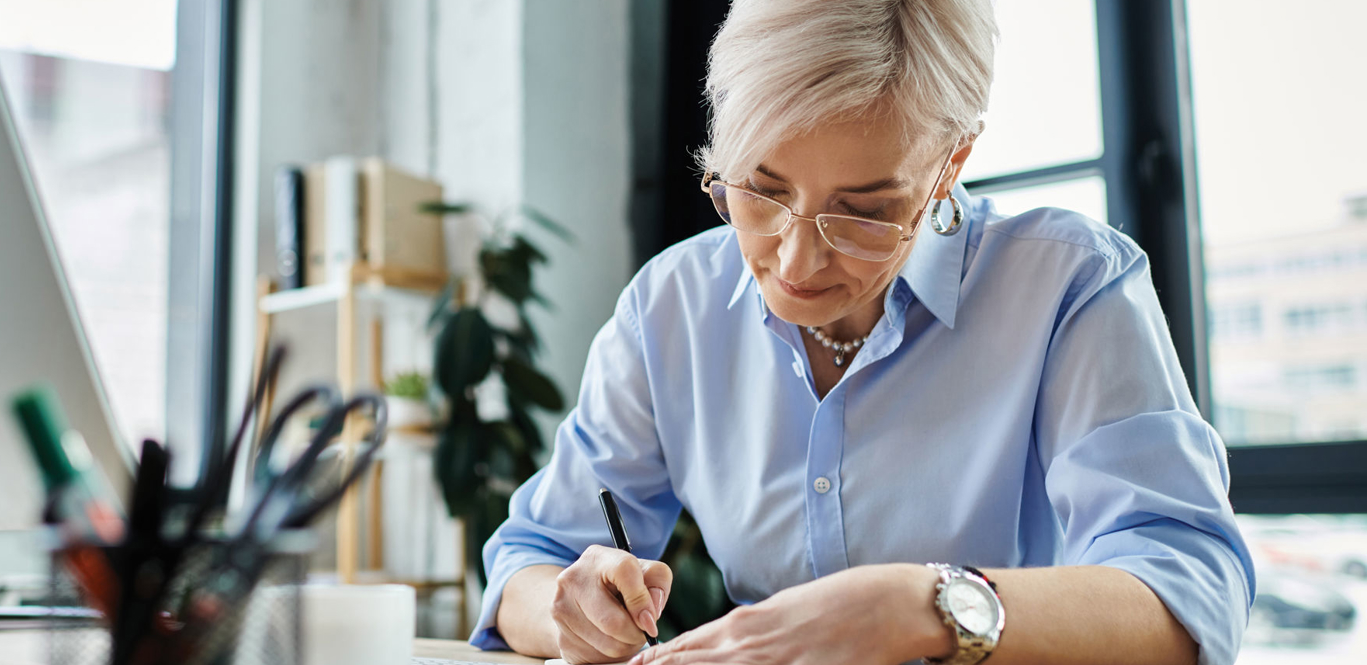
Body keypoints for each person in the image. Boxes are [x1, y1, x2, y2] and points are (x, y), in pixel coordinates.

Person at [469, 1, 1254, 664]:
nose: (796, 258)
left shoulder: (1067, 285)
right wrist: (569, 603)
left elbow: (1188, 589)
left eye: (865, 213)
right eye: (760, 188)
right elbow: (530, 558)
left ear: (951, 163)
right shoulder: (671, 305)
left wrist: (924, 602)